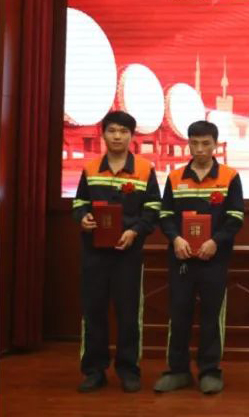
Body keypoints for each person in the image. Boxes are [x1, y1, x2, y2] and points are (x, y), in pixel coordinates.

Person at [72, 110, 161, 393]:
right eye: (112, 131)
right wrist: (83, 218)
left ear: (132, 136)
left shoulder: (145, 169)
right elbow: (79, 203)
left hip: (128, 254)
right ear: (103, 134)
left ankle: (128, 370)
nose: (117, 136)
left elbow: (153, 208)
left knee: (128, 313)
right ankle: (94, 370)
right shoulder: (90, 169)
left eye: (123, 131)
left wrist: (135, 231)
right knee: (93, 311)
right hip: (94, 253)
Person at [153, 120, 244, 394]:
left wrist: (215, 242)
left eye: (206, 143)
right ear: (189, 144)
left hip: (214, 259)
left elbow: (235, 217)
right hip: (181, 258)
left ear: (215, 144)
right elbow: (165, 214)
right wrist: (175, 238)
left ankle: (210, 371)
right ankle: (178, 371)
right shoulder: (175, 177)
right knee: (178, 315)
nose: (200, 149)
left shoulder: (229, 176)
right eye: (195, 143)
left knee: (210, 316)